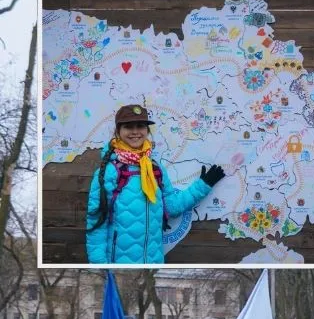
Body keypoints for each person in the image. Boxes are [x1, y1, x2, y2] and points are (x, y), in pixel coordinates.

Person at [86, 105, 224, 264]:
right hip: (118, 263)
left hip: (153, 262)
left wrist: (203, 185)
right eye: (128, 126)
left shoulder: (155, 168)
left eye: (140, 126)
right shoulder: (108, 172)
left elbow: (172, 207)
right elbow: (96, 223)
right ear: (118, 131)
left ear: (147, 130)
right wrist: (100, 267)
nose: (135, 131)